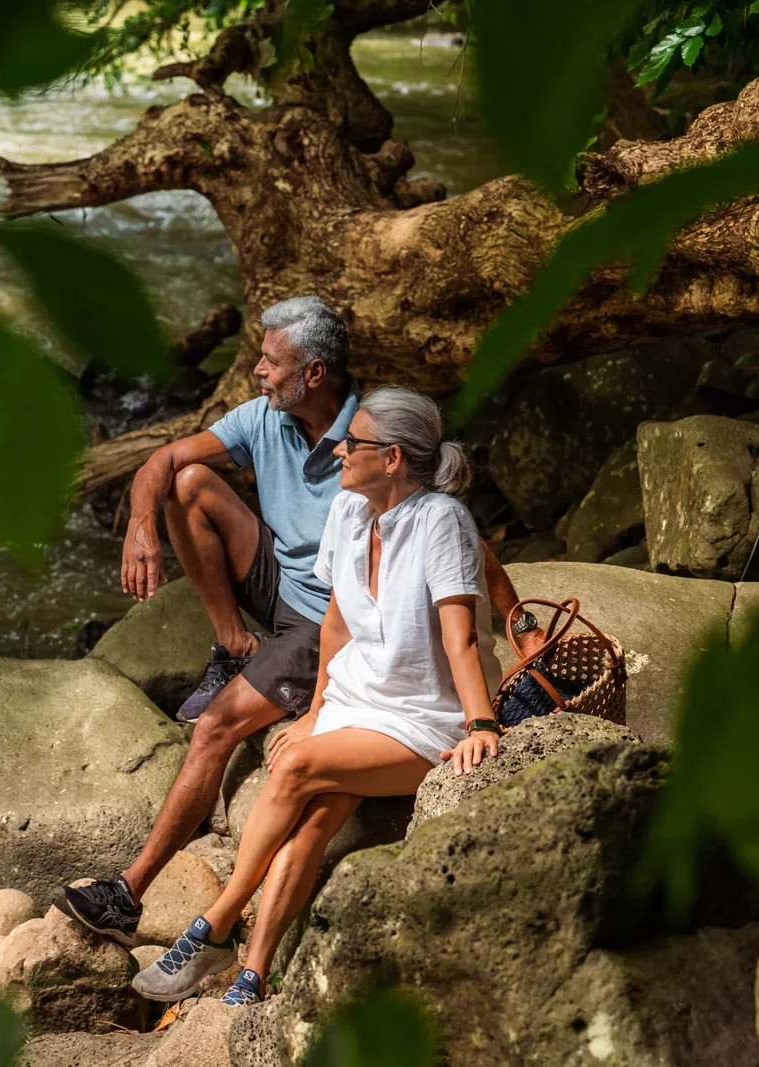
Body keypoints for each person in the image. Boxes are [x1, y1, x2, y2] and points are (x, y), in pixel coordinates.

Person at [54, 298, 543, 947]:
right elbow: (162, 463)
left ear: (313, 374)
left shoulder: (372, 439)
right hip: (278, 581)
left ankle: (129, 890)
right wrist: (141, 524)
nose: (256, 370)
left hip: (324, 624)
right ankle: (234, 641)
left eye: (270, 361)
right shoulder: (265, 417)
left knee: (217, 725)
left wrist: (517, 617)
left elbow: (457, 538)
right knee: (190, 482)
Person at [129, 386, 506, 1006]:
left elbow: (461, 641)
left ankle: (216, 922)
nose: (336, 447)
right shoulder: (350, 511)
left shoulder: (442, 521)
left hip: (425, 718)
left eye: (350, 441)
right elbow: (334, 622)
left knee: (298, 768)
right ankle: (253, 971)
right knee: (313, 824)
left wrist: (482, 725)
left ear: (390, 459)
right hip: (359, 699)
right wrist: (314, 709)